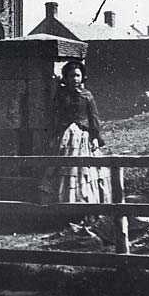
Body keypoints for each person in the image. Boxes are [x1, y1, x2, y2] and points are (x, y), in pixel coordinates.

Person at [43, 60, 109, 204]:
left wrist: (96, 137)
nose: (75, 79)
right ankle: (64, 202)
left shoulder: (87, 95)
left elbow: (94, 117)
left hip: (84, 137)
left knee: (84, 169)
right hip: (65, 137)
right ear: (66, 78)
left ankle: (85, 201)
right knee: (65, 168)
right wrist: (53, 135)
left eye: (78, 76)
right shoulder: (61, 95)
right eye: (72, 76)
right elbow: (55, 115)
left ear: (82, 77)